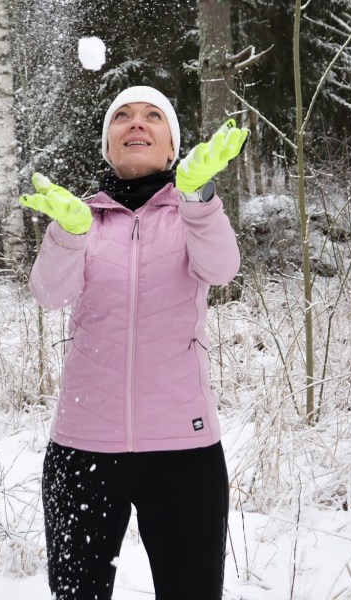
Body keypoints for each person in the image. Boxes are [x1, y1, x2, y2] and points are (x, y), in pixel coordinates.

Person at [19, 85, 248, 600]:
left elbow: (221, 267)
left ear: (172, 148)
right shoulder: (82, 220)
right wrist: (69, 234)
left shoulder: (192, 214)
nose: (136, 123)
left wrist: (198, 197)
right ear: (108, 144)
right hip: (83, 450)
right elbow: (49, 293)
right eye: (122, 117)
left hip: (184, 453)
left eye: (152, 116)